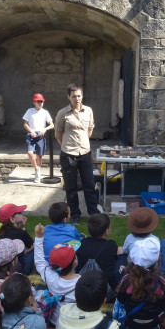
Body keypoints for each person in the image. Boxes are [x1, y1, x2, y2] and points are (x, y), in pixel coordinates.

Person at [54, 84, 99, 224]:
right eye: (74, 96)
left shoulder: (88, 111)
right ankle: (75, 215)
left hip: (85, 153)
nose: (77, 99)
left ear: (82, 96)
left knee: (89, 185)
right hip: (68, 154)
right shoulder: (63, 113)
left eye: (79, 96)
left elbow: (89, 130)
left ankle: (93, 213)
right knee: (71, 187)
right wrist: (67, 146)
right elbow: (58, 134)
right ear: (69, 97)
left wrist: (82, 143)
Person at [116, 238, 165, 329]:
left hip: (131, 321)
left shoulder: (126, 279)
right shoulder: (161, 281)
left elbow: (120, 298)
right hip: (153, 321)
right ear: (155, 260)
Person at [34, 224, 81, 326]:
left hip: (54, 320)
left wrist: (39, 238)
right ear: (75, 262)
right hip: (72, 322)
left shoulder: (49, 276)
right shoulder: (82, 283)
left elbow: (39, 261)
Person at [76, 213, 123, 291]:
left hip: (83, 287)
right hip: (105, 289)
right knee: (121, 254)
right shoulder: (111, 244)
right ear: (107, 231)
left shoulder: (82, 243)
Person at [0, 203, 34, 273]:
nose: (22, 213)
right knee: (36, 245)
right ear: (12, 219)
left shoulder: (1, 232)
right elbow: (31, 244)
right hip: (18, 268)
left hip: (4, 268)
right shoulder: (20, 233)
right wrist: (23, 228)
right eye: (19, 213)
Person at [23, 93, 54, 183]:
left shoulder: (45, 112)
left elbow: (52, 125)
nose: (40, 103)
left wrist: (44, 129)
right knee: (30, 153)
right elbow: (25, 124)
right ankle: (36, 170)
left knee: (39, 156)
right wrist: (31, 131)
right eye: (38, 101)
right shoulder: (30, 111)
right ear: (34, 102)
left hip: (40, 135)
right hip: (31, 135)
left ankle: (38, 172)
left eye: (42, 101)